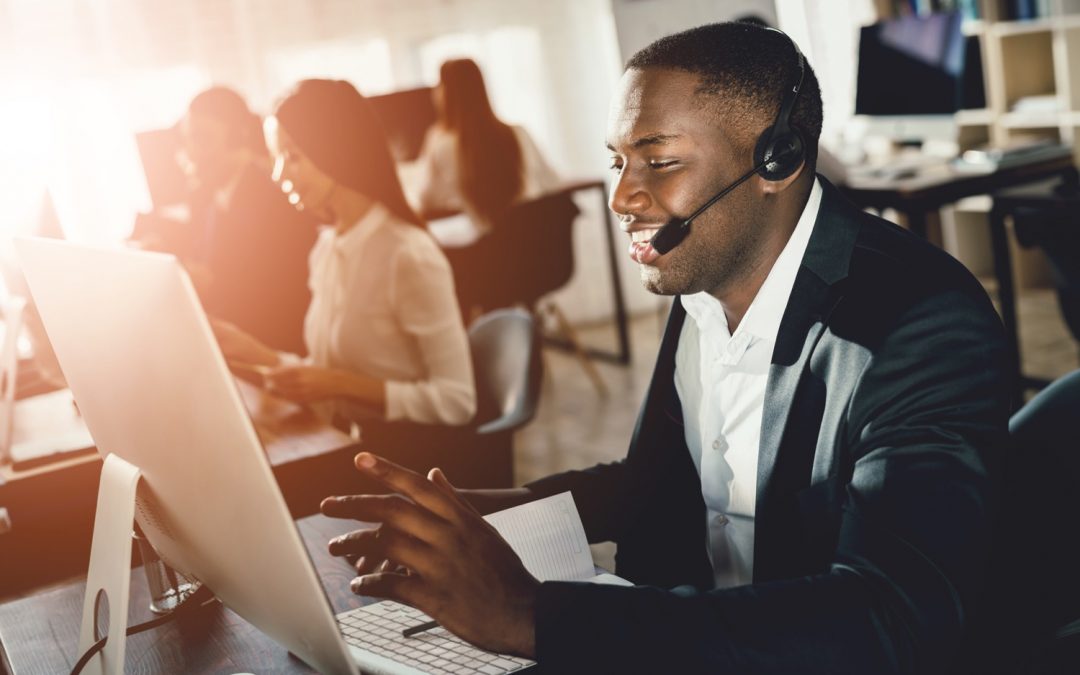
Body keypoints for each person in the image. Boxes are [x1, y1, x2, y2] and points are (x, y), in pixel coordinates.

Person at [319, 22, 1010, 673]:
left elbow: (893, 619)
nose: (622, 195)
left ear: (779, 161)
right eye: (618, 160)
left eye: (659, 160)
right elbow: (659, 484)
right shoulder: (704, 279)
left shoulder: (918, 325)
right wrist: (486, 510)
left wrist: (531, 614)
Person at [214, 79, 475, 431]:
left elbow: (457, 400)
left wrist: (340, 385)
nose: (278, 174)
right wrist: (251, 350)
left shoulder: (407, 253)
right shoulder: (327, 247)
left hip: (407, 457)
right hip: (352, 443)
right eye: (276, 158)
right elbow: (323, 372)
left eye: (292, 157)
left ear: (334, 152)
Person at [131, 86, 316, 354]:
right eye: (187, 140)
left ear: (239, 138)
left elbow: (238, 289)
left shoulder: (272, 201)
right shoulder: (211, 196)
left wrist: (176, 269)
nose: (190, 152)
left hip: (270, 349)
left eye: (202, 139)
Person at [410, 58, 560, 230]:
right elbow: (552, 183)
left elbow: (425, 200)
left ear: (446, 94)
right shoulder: (519, 132)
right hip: (538, 240)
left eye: (439, 85)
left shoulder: (441, 143)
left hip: (490, 249)